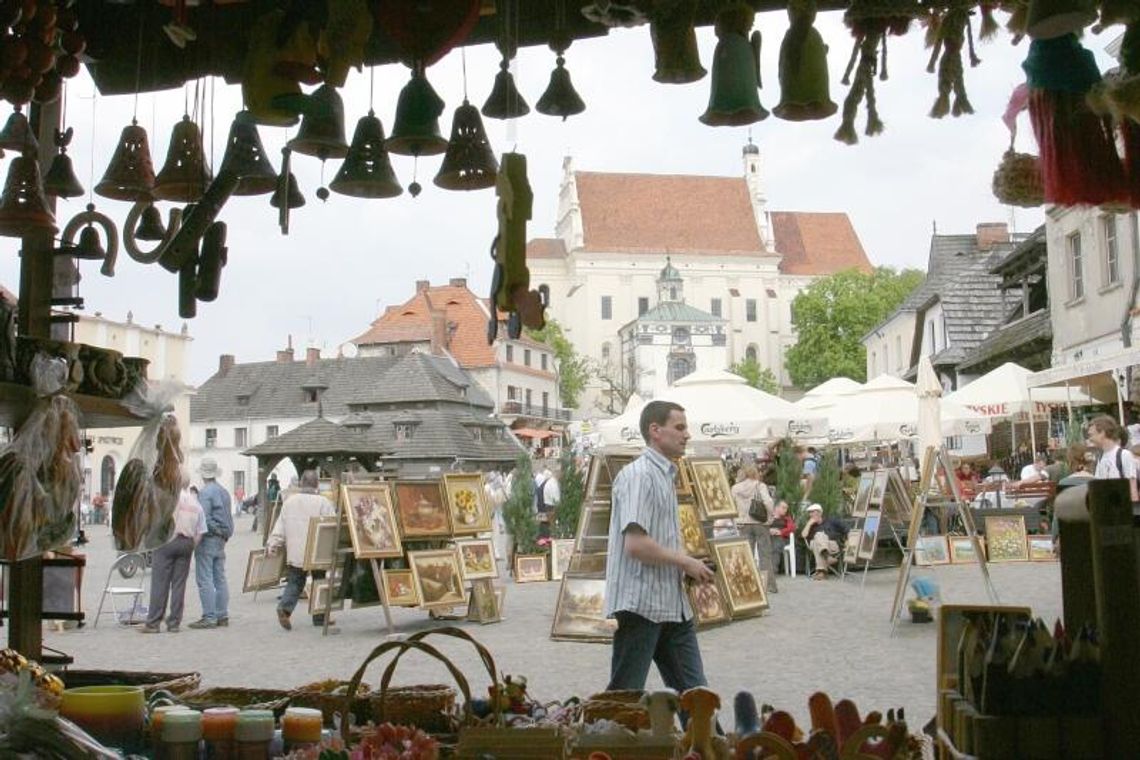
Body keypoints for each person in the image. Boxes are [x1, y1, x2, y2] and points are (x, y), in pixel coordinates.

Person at [603, 400, 716, 693]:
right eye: (679, 427)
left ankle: (702, 728)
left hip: (671, 605)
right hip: (640, 604)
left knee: (697, 698)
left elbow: (656, 542)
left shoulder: (664, 475)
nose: (687, 434)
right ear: (655, 430)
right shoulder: (639, 476)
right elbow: (636, 545)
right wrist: (686, 562)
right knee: (625, 698)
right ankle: (603, 726)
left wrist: (688, 565)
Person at [267, 470, 336, 630]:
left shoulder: (290, 502)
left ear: (301, 483)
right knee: (319, 581)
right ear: (317, 484)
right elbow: (332, 526)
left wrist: (273, 544)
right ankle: (319, 617)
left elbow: (280, 527)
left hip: (296, 550)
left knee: (295, 581)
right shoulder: (324, 502)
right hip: (317, 550)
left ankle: (285, 608)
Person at [141, 487, 206, 634]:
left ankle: (154, 622)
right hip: (186, 542)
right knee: (179, 584)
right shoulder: (194, 502)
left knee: (160, 583)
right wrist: (191, 545)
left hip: (166, 541)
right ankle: (174, 622)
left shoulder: (164, 498)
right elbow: (201, 530)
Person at [189, 458, 233, 629]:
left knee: (205, 578)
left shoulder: (205, 493)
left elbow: (204, 518)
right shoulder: (224, 492)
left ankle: (209, 616)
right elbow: (228, 518)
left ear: (203, 474)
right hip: (221, 540)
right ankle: (222, 614)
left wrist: (216, 530)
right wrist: (225, 533)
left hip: (209, 539)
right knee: (219, 577)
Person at [730, 464, 777, 593]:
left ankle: (746, 585)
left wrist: (736, 520)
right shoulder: (760, 485)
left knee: (745, 555)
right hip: (760, 523)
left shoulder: (735, 488)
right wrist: (770, 517)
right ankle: (768, 586)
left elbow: (731, 505)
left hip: (743, 524)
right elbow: (768, 502)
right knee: (764, 555)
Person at [1089, 415, 1139, 506]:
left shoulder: (1124, 455)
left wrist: (1134, 510)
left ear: (1102, 433)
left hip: (1122, 509)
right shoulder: (1100, 457)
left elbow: (1132, 488)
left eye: (1092, 435)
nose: (1090, 439)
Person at [801, 503, 847, 580]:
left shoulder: (831, 520)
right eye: (810, 512)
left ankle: (821, 572)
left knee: (818, 537)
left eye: (813, 512)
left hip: (832, 545)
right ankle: (827, 557)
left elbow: (846, 529)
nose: (811, 514)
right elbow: (803, 535)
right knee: (817, 537)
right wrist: (809, 524)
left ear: (820, 513)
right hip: (815, 546)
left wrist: (848, 541)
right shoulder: (810, 525)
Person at [768, 500, 796, 572]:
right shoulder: (769, 517)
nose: (785, 510)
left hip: (782, 539)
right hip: (769, 537)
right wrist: (769, 530)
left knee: (776, 544)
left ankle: (772, 570)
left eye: (786, 508)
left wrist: (780, 532)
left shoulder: (787, 518)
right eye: (783, 508)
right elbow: (762, 527)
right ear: (776, 507)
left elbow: (792, 528)